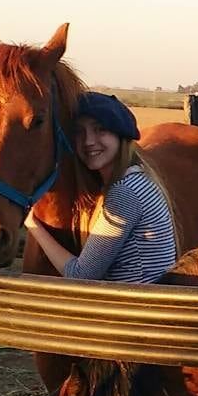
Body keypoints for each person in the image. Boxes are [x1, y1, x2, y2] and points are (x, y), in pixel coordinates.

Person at [25, 92, 178, 283]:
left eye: (100, 130)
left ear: (120, 135)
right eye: (80, 132)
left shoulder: (125, 193)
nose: (89, 141)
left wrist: (32, 224)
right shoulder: (140, 179)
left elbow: (81, 274)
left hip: (132, 308)